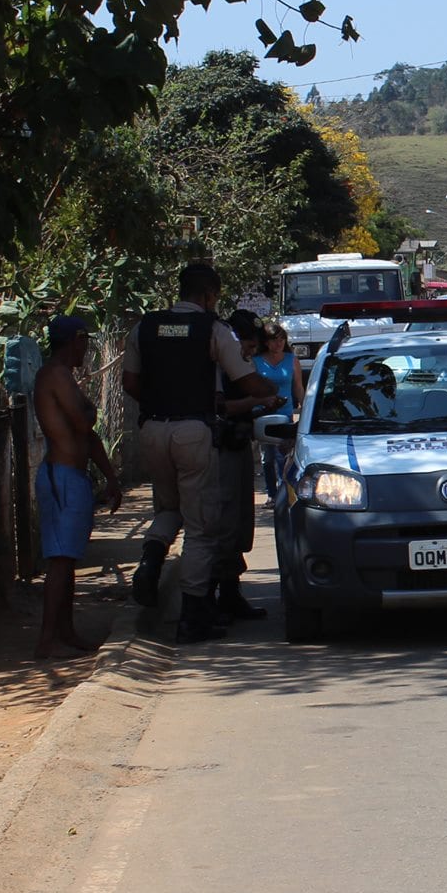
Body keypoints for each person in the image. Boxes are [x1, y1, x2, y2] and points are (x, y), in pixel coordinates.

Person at [122, 262, 277, 643]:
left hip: (153, 428)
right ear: (209, 295)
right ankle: (194, 614)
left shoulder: (145, 327)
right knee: (201, 527)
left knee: (168, 508)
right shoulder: (214, 329)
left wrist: (162, 401)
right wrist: (269, 393)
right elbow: (247, 379)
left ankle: (151, 559)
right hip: (194, 431)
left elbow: (129, 382)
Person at [31, 315, 121, 658]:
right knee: (60, 560)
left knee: (68, 559)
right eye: (84, 342)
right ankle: (47, 638)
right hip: (62, 477)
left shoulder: (66, 377)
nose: (86, 349)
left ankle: (64, 632)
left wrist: (109, 476)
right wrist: (88, 410)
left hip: (74, 477)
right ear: (74, 340)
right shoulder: (55, 375)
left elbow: (89, 430)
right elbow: (84, 421)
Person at [211, 310, 275, 623]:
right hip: (219, 448)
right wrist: (257, 401)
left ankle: (230, 593)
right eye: (248, 347)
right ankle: (211, 598)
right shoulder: (218, 367)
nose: (249, 354)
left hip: (237, 444)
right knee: (223, 523)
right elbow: (220, 407)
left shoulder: (236, 366)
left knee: (237, 522)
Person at [252, 319, 302, 499]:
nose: (278, 343)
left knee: (283, 455)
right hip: (263, 415)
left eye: (282, 339)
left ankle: (284, 492)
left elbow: (298, 387)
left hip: (285, 414)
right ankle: (271, 494)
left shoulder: (292, 360)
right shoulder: (256, 361)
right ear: (266, 342)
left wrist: (304, 408)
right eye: (274, 339)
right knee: (267, 458)